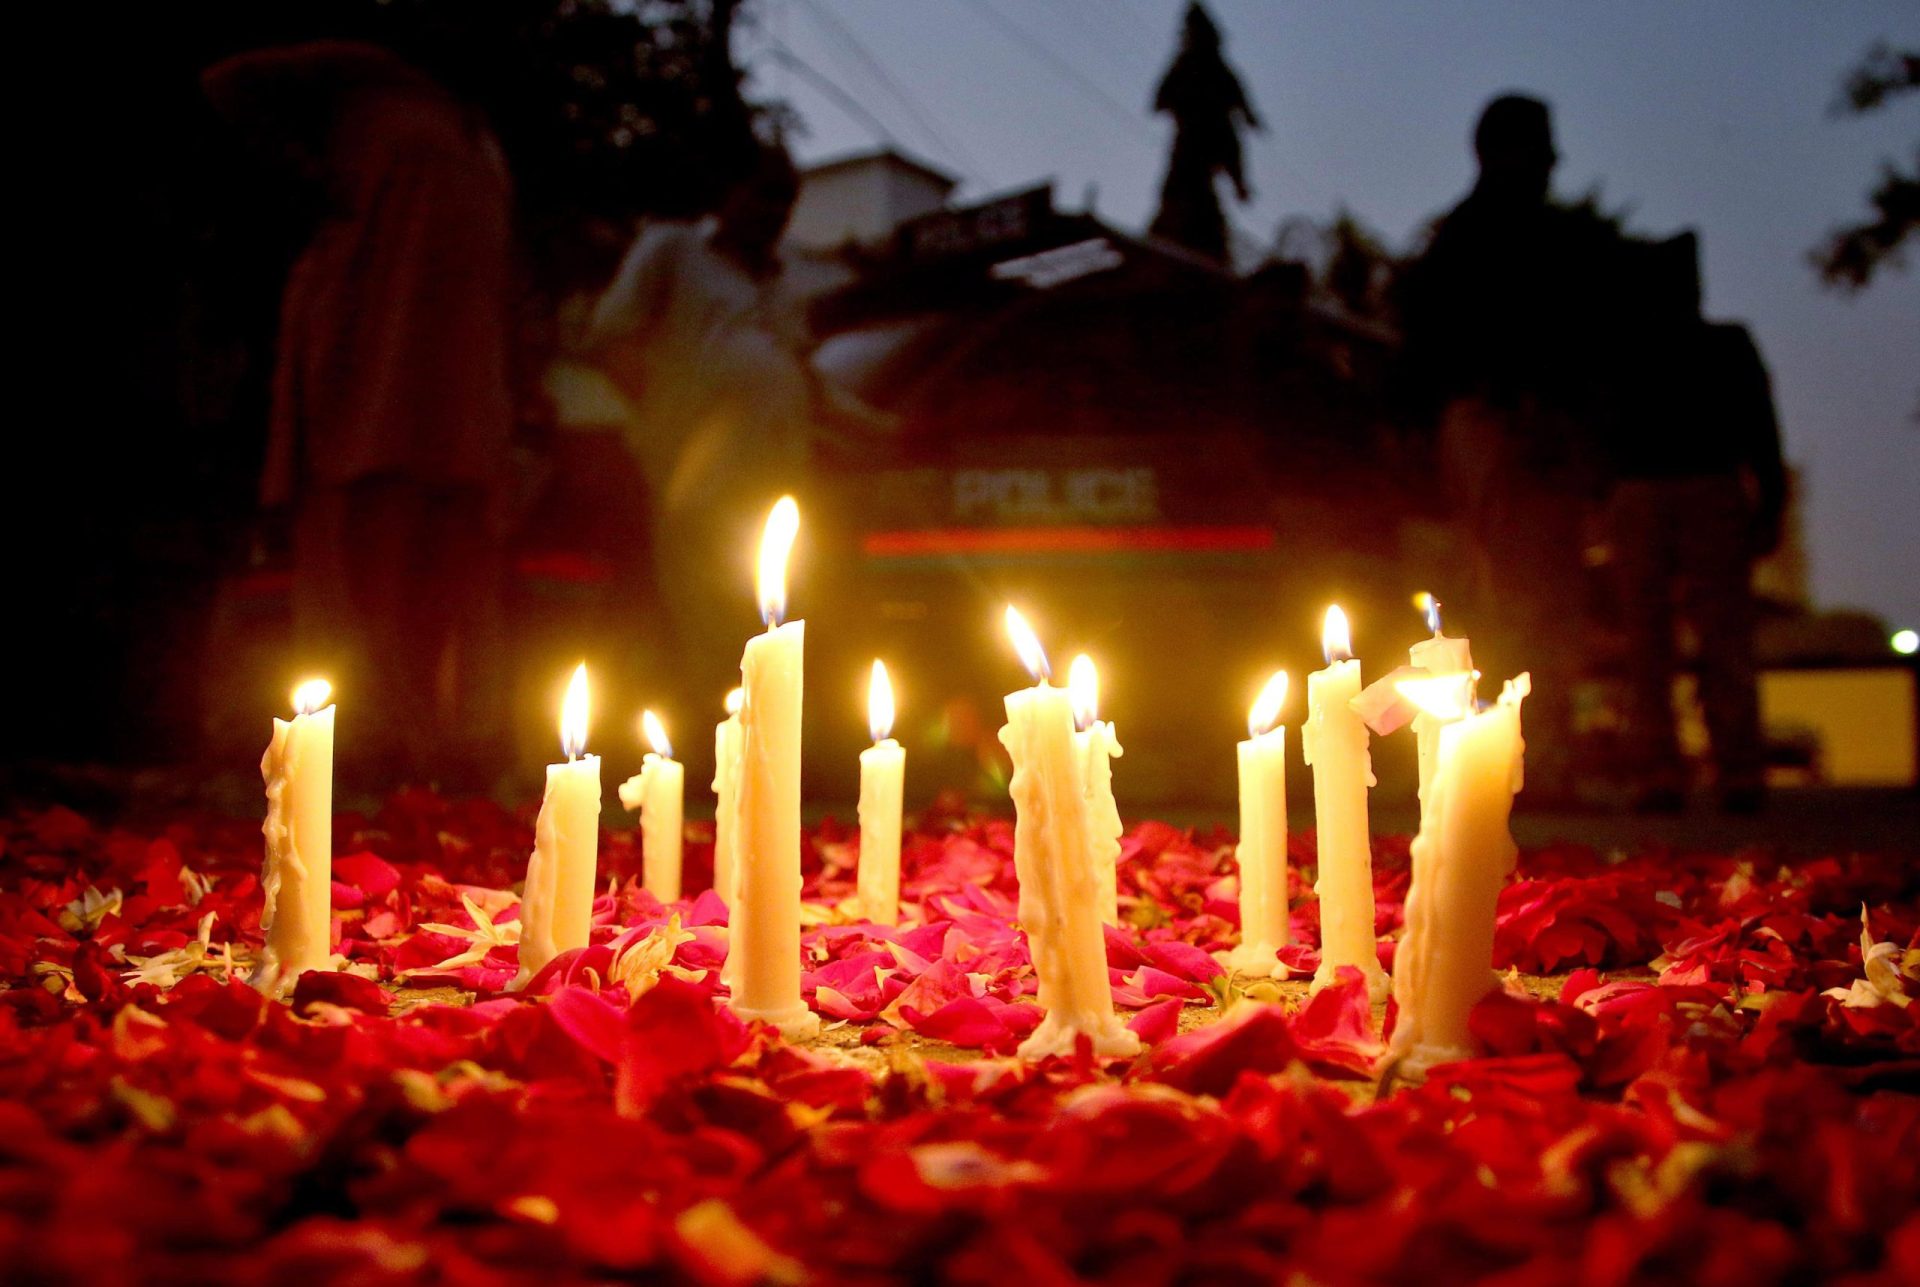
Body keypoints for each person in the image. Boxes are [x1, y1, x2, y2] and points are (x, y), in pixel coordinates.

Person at [204, 41, 514, 789]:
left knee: (437, 582)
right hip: (371, 344)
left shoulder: (477, 138)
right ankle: (358, 748)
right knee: (357, 563)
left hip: (456, 387)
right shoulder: (364, 79)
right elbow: (228, 83)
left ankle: (431, 749)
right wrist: (305, 178)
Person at [1397, 93, 1616, 804]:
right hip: (1493, 424)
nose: (1550, 163)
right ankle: (1511, 754)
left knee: (1551, 599)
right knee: (1507, 594)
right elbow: (1432, 342)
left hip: (1546, 433)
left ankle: (1542, 750)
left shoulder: (1545, 237)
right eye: (1536, 147)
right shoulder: (1468, 238)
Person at [585, 142, 816, 705]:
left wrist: (871, 427)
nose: (773, 213)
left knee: (761, 617)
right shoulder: (674, 250)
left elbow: (802, 371)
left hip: (772, 480)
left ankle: (763, 747)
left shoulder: (782, 281)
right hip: (691, 484)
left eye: (784, 202)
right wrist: (672, 423)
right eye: (763, 195)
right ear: (729, 192)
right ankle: (694, 750)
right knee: (696, 620)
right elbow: (612, 337)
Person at [1606, 233, 1785, 813]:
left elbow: (1759, 425)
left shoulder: (1709, 346)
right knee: (1661, 635)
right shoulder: (1647, 349)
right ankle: (1687, 767)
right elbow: (1760, 426)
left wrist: (1769, 496)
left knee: (1697, 633)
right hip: (1668, 488)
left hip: (1690, 487)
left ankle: (1719, 766)